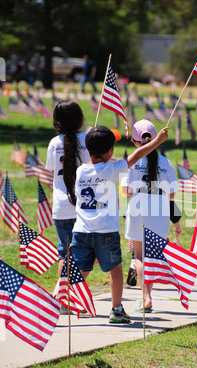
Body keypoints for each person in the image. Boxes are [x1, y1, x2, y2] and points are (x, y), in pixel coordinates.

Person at [70, 124, 169, 323]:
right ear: (110, 151)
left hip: (81, 230)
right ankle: (116, 309)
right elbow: (137, 156)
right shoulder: (113, 169)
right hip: (106, 230)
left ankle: (68, 300)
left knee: (81, 269)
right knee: (115, 271)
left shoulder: (80, 171)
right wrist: (157, 141)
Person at [122, 119, 179, 312]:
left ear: (135, 141)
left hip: (138, 211)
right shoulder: (165, 162)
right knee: (153, 256)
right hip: (160, 213)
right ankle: (148, 296)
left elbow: (126, 191)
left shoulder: (132, 160)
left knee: (139, 256)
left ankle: (145, 296)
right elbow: (172, 194)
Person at [46, 100, 90, 303]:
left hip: (61, 207)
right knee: (85, 253)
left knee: (65, 254)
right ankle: (65, 295)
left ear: (56, 122)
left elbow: (52, 175)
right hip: (84, 206)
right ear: (80, 119)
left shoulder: (54, 143)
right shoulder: (88, 140)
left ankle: (61, 295)